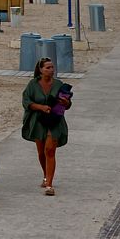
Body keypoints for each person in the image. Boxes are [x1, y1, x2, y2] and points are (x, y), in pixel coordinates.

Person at [22, 57, 71, 196]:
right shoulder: (33, 84)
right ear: (41, 69)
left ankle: (49, 184)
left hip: (54, 121)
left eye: (52, 67)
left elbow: (68, 105)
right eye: (48, 68)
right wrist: (41, 107)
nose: (51, 70)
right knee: (41, 152)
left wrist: (65, 102)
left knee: (50, 150)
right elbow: (26, 101)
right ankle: (45, 175)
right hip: (38, 121)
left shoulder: (59, 84)